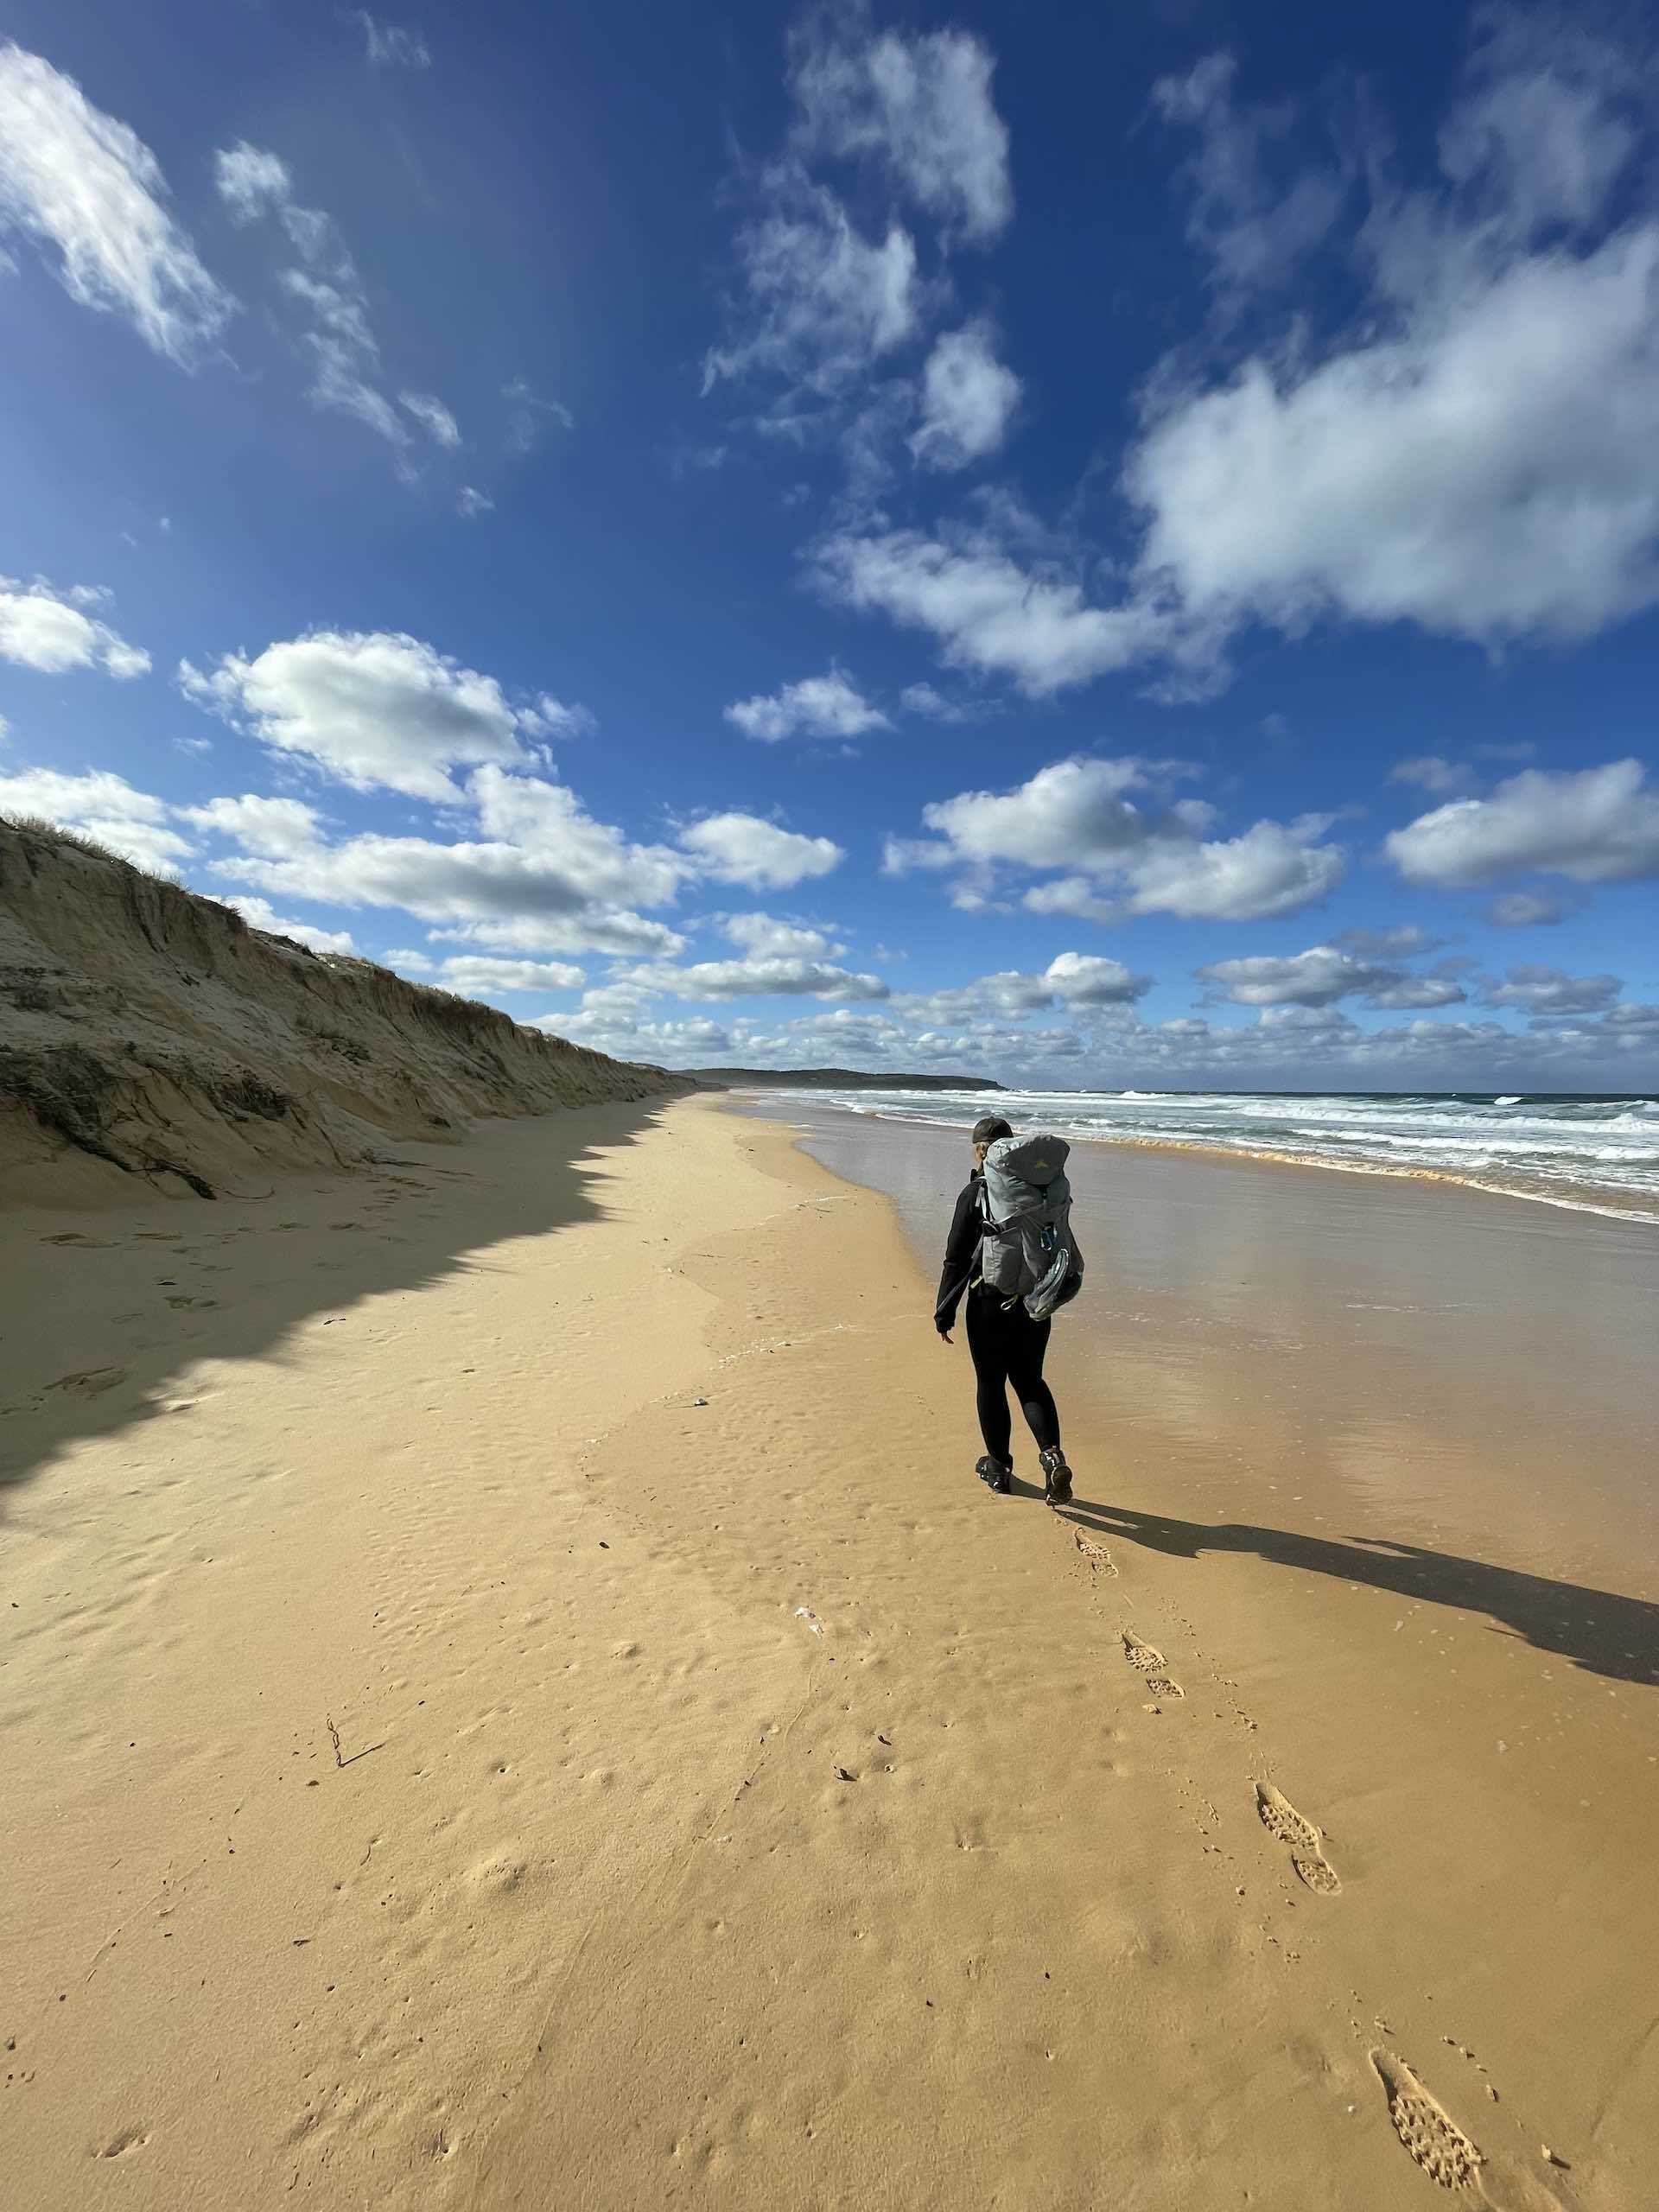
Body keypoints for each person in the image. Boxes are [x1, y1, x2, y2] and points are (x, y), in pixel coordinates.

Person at [935, 1114, 1073, 1505]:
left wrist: (944, 1310)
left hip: (988, 1301)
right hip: (1035, 1300)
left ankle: (998, 1468)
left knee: (991, 1384)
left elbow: (955, 1259)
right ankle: (1052, 1458)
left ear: (980, 1150)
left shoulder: (976, 1192)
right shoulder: (1043, 1191)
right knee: (1030, 1381)